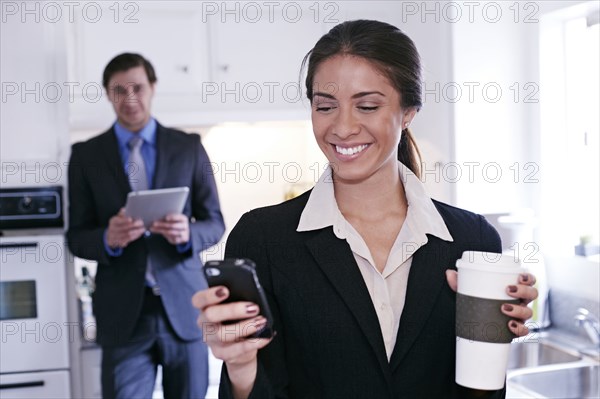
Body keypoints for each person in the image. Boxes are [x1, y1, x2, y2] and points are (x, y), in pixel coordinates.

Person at [192, 20, 538, 399]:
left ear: (408, 112)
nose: (342, 127)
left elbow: (481, 394)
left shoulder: (473, 241)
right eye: (325, 106)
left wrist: (491, 343)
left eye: (367, 105)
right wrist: (240, 368)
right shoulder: (262, 239)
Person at [67, 52, 225, 399]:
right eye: (118, 91)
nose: (130, 99)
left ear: (153, 87)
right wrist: (107, 238)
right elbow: (76, 238)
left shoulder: (188, 147)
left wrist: (188, 233)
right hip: (123, 314)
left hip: (185, 308)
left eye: (137, 87)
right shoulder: (86, 156)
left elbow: (214, 222)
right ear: (108, 94)